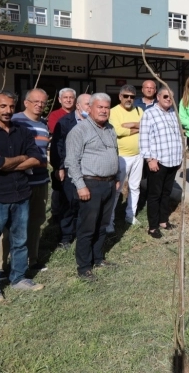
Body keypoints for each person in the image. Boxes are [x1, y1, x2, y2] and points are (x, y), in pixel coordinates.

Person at [0, 90, 45, 304]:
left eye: (11, 107)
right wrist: (20, 159)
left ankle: (19, 278)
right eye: (3, 106)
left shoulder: (22, 132)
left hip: (21, 194)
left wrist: (10, 161)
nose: (8, 111)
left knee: (20, 241)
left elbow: (37, 158)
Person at [65, 93, 120, 282]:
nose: (104, 110)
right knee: (87, 227)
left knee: (103, 225)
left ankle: (98, 258)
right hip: (90, 184)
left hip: (109, 184)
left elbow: (115, 152)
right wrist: (80, 186)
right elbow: (71, 161)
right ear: (90, 108)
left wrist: (117, 177)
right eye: (100, 107)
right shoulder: (79, 130)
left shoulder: (110, 129)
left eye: (107, 107)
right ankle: (84, 266)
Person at [0, 88, 51, 273]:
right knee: (10, 225)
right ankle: (2, 266)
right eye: (35, 101)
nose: (39, 105)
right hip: (20, 181)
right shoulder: (15, 121)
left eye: (43, 102)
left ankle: (31, 260)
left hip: (40, 182)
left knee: (35, 222)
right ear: (26, 102)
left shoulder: (44, 124)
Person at [140, 87, 184, 239]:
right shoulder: (149, 114)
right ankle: (153, 227)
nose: (168, 99)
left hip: (172, 160)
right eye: (165, 96)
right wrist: (149, 159)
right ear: (158, 97)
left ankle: (163, 221)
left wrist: (180, 158)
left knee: (166, 193)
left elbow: (178, 136)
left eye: (171, 96)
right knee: (155, 195)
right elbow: (144, 138)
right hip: (158, 162)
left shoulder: (173, 113)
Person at [52, 93, 91, 249]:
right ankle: (66, 236)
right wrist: (59, 167)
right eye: (88, 104)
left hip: (88, 169)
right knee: (69, 202)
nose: (90, 107)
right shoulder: (65, 122)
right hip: (69, 167)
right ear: (78, 106)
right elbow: (58, 146)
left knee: (84, 202)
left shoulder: (94, 122)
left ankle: (82, 231)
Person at [108, 85, 144, 227]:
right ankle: (109, 221)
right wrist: (138, 126)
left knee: (135, 187)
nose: (129, 99)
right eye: (126, 96)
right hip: (121, 156)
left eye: (132, 96)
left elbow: (145, 125)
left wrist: (130, 125)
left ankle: (131, 215)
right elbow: (117, 130)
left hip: (138, 155)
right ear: (120, 96)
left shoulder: (139, 110)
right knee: (117, 189)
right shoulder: (113, 112)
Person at [47, 87, 75, 228]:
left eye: (71, 97)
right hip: (60, 157)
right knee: (59, 190)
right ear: (60, 100)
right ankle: (56, 216)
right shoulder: (55, 115)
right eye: (65, 98)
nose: (69, 100)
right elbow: (56, 133)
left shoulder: (79, 114)